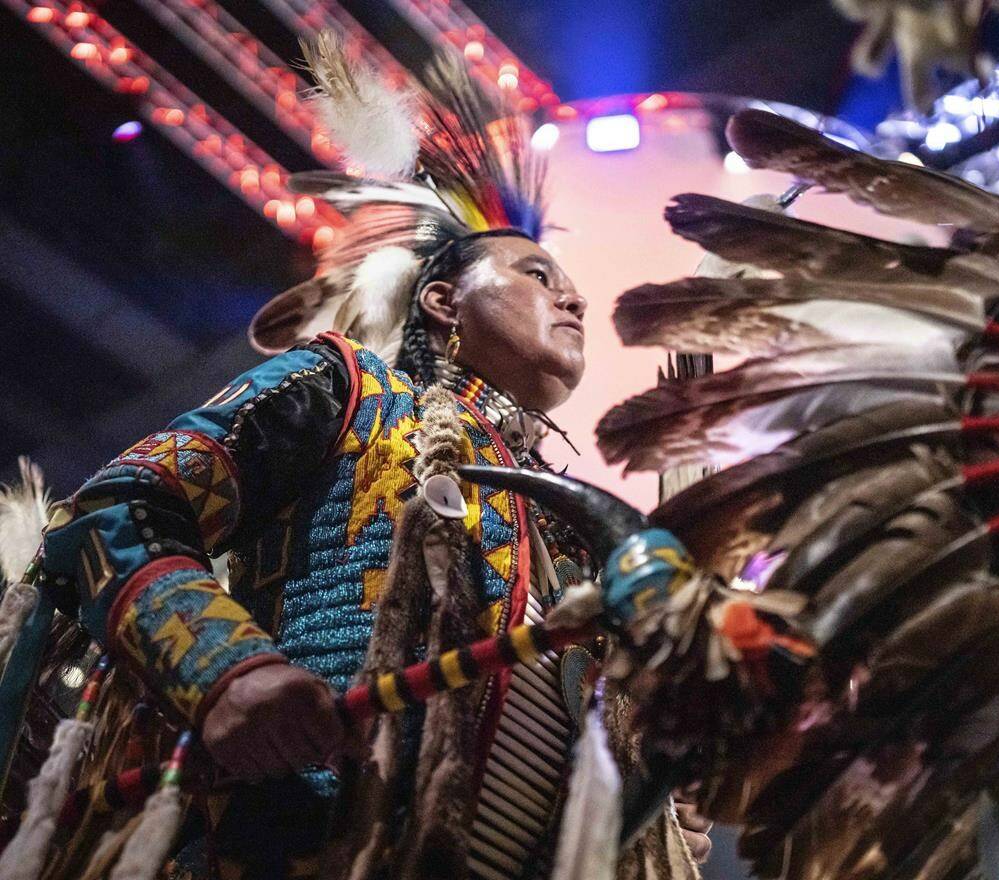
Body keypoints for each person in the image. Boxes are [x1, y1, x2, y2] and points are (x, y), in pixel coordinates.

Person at [18, 37, 707, 880]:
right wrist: (227, 671)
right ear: (444, 300)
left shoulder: (573, 527)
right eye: (536, 273)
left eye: (571, 287)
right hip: (306, 842)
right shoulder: (343, 388)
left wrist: (647, 812)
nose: (574, 297)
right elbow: (116, 512)